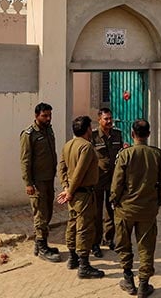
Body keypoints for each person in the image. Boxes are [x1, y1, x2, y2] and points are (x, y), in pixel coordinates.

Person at [111, 119, 161, 298]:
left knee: (124, 244)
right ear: (149, 134)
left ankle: (128, 279)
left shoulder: (125, 155)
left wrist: (114, 201)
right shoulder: (157, 155)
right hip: (147, 209)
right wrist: (158, 201)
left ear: (132, 134)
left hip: (125, 209)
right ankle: (144, 284)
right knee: (146, 247)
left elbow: (117, 184)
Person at [57, 116, 104, 279]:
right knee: (84, 227)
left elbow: (62, 168)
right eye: (91, 128)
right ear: (87, 130)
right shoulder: (87, 147)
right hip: (82, 192)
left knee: (72, 223)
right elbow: (80, 172)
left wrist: (66, 187)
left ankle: (72, 257)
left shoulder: (68, 145)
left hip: (73, 192)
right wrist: (69, 191)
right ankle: (84, 264)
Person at [20, 102, 61, 263]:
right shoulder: (29, 134)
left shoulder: (48, 129)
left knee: (49, 211)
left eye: (49, 115)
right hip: (37, 181)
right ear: (36, 116)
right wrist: (28, 183)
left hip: (48, 178)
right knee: (40, 214)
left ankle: (40, 243)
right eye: (45, 115)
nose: (48, 118)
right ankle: (42, 247)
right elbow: (25, 161)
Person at [91, 108, 124, 258]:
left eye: (110, 118)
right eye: (106, 119)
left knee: (112, 210)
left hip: (113, 179)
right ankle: (95, 243)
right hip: (98, 179)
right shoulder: (92, 136)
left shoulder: (117, 134)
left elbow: (121, 153)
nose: (109, 121)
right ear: (99, 120)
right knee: (96, 213)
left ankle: (109, 239)